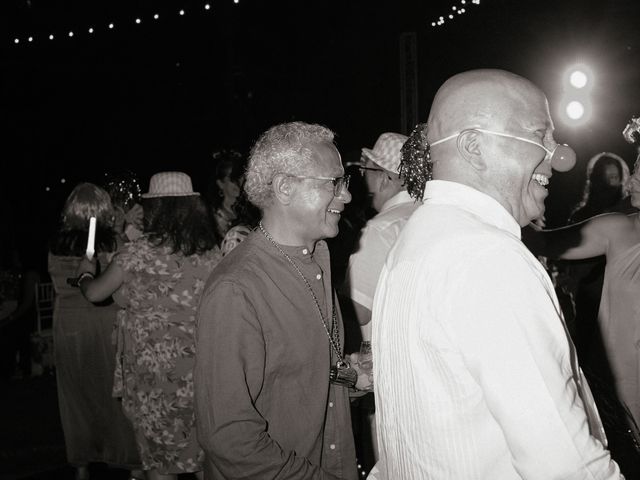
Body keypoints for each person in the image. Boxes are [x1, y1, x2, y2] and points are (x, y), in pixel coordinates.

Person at [371, 69, 622, 479]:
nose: (558, 155)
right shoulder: (486, 257)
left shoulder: (417, 238)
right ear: (474, 146)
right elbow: (564, 464)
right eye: (541, 135)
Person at [195, 121, 365, 479]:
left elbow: (302, 379)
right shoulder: (237, 289)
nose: (347, 195)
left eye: (344, 182)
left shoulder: (316, 258)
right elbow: (230, 438)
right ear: (285, 188)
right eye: (334, 183)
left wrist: (356, 378)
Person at [75, 172, 221, 480]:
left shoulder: (137, 253)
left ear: (155, 209)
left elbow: (94, 293)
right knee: (206, 458)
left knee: (159, 464)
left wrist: (86, 272)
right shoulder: (211, 253)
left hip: (154, 377)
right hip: (201, 371)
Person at [47, 182, 142, 480]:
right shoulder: (112, 243)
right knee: (113, 395)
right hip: (103, 324)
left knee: (74, 397)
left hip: (67, 326)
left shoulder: (55, 244)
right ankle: (129, 461)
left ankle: (81, 465)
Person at [205, 149, 245, 238]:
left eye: (240, 178)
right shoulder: (213, 216)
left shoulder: (249, 210)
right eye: (232, 180)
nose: (238, 184)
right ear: (220, 183)